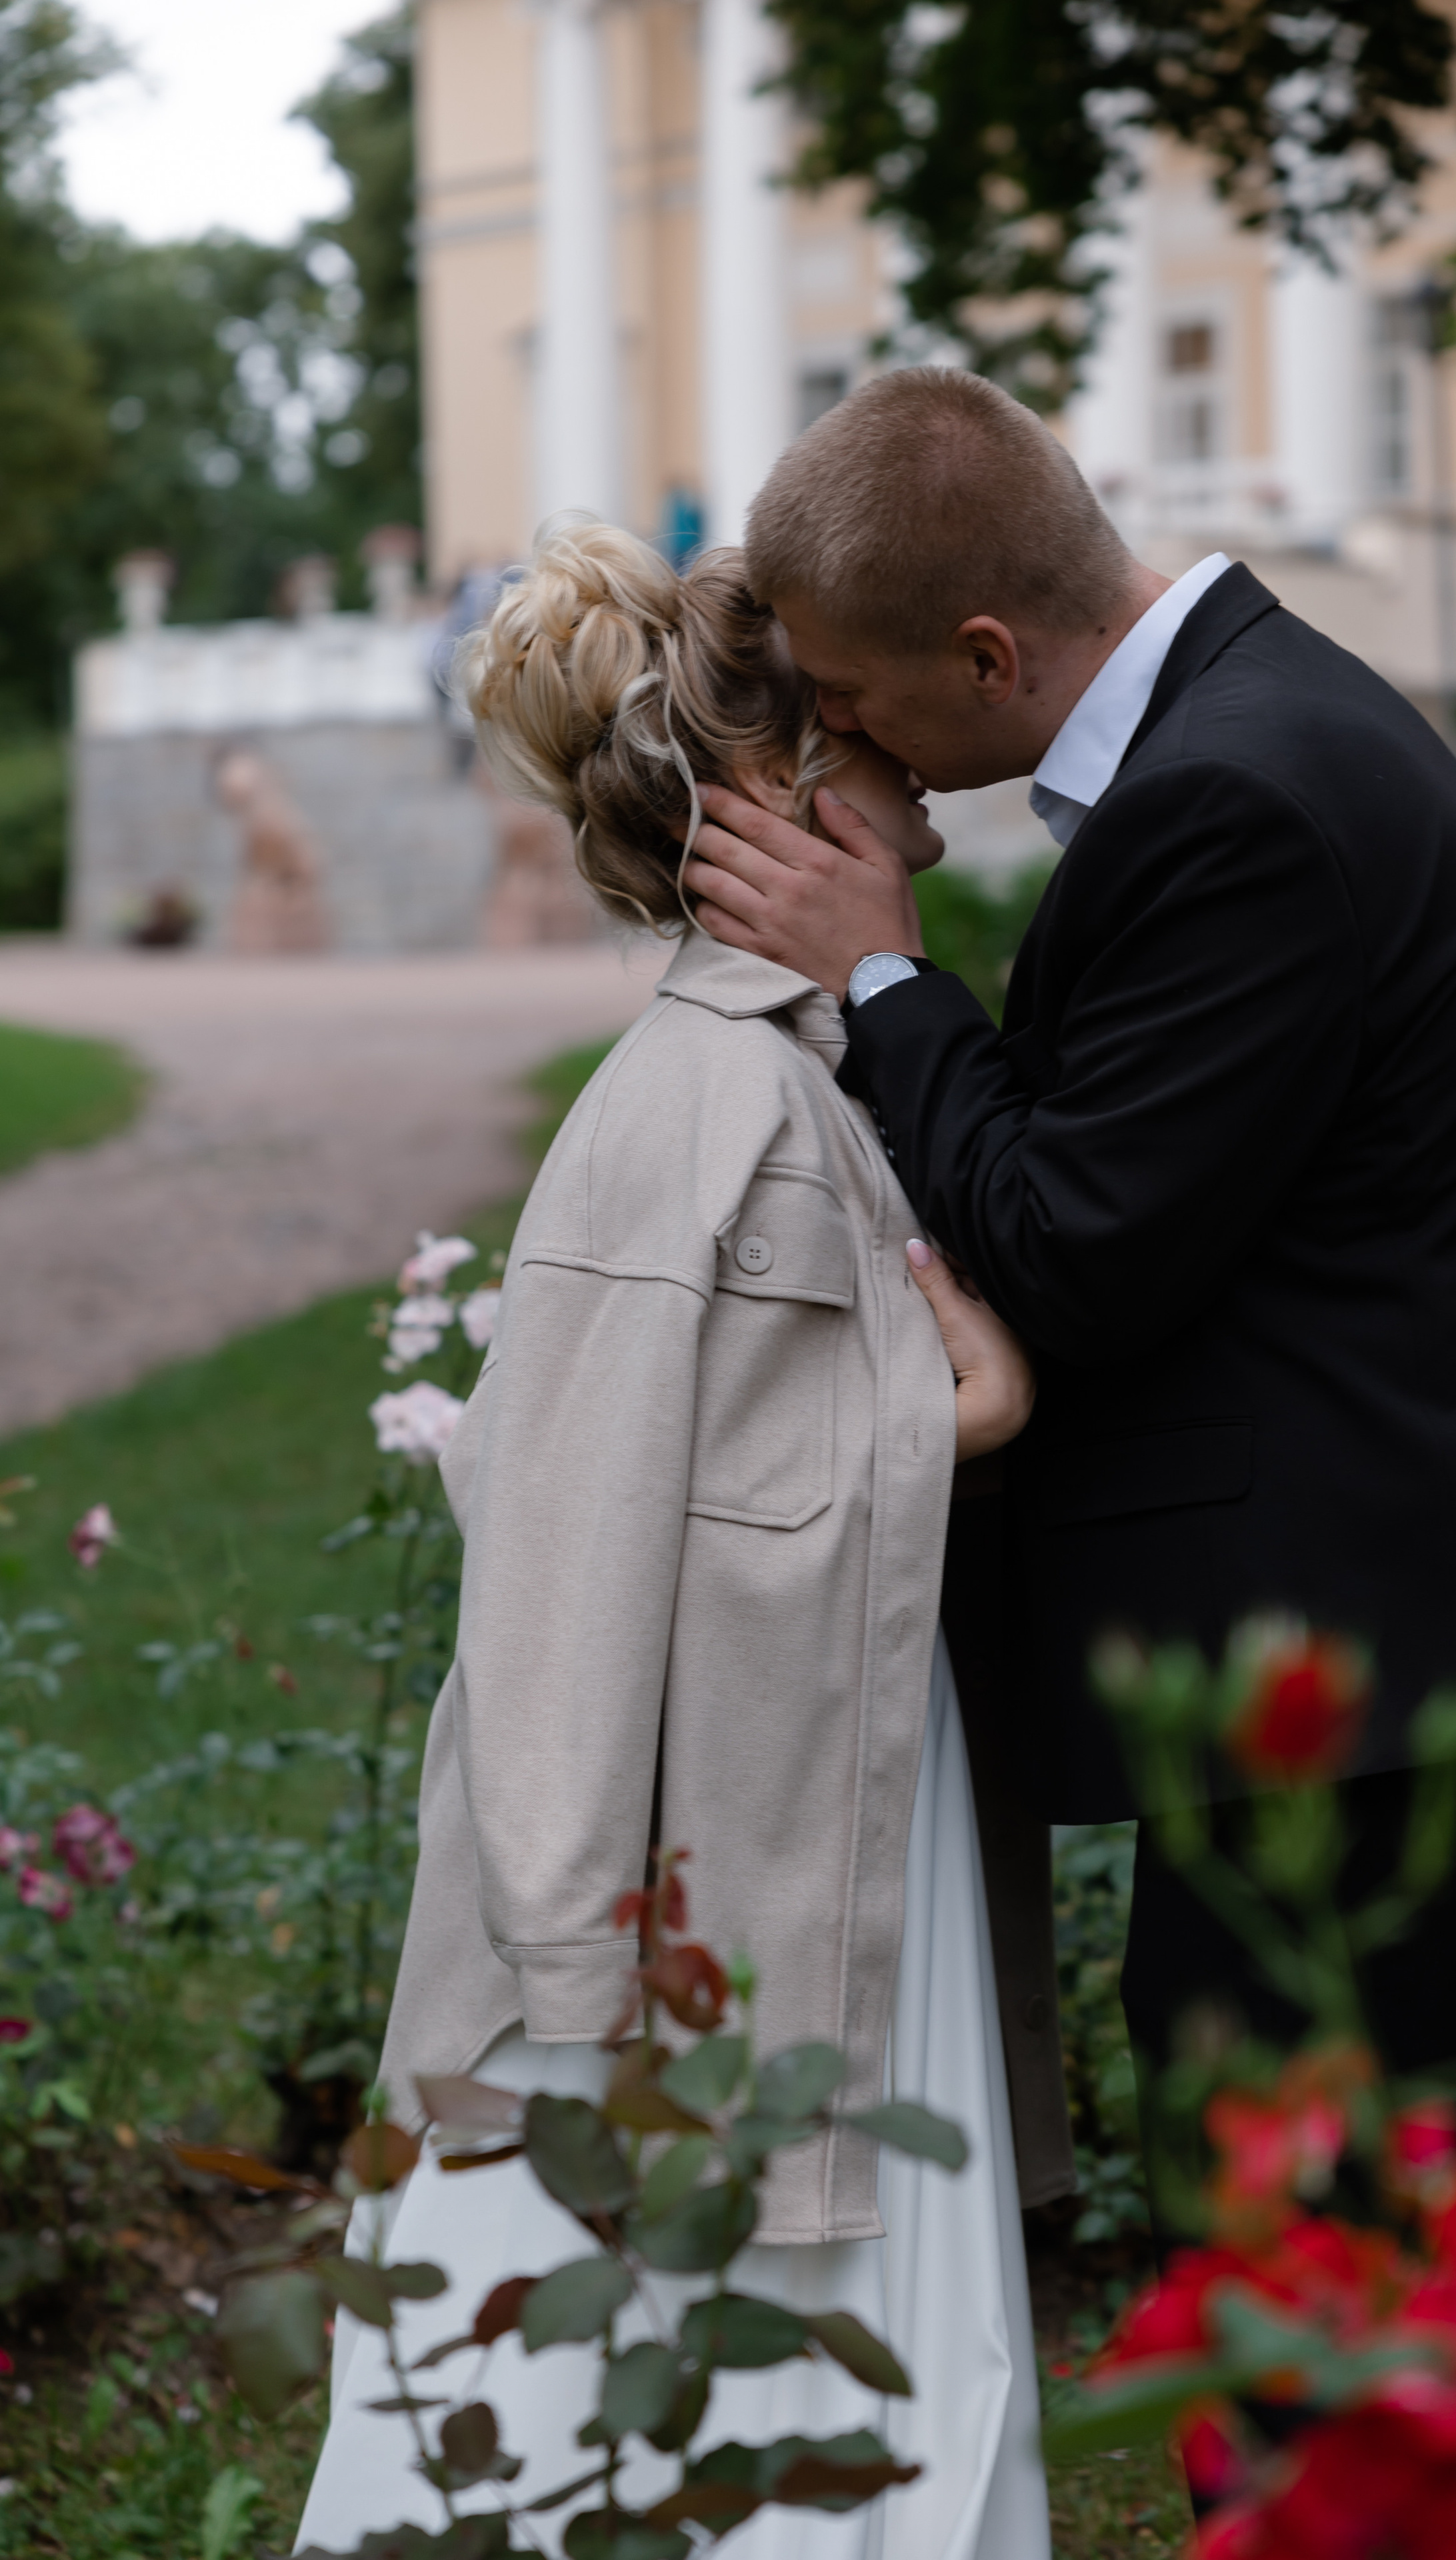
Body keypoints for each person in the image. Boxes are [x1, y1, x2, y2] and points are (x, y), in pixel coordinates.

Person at [677, 366, 1456, 2203]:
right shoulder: (1256, 711)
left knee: (1320, 2215)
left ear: (985, 657)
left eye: (852, 698)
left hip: (1390, 1640)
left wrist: (890, 983)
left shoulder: (1231, 801)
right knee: (1385, 2184)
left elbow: (1077, 1246)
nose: (855, 744)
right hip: (1434, 1577)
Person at [294, 521, 1058, 2559]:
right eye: (868, 731)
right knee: (696, 2376)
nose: (923, 763)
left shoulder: (809, 1072)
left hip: (811, 1809)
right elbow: (560, 1546)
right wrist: (571, 1989)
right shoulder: (692, 1112)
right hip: (700, 1897)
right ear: (797, 796)